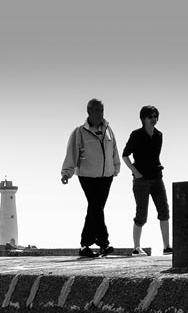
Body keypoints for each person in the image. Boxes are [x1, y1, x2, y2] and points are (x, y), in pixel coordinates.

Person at [60, 98, 122, 258]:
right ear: (89, 112)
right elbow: (72, 153)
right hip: (87, 176)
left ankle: (86, 245)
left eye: (102, 110)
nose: (100, 114)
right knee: (96, 207)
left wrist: (116, 168)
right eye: (97, 110)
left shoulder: (108, 129)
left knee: (95, 209)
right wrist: (66, 173)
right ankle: (103, 243)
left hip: (106, 176)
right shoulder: (79, 132)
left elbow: (114, 149)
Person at [121, 104, 171, 255]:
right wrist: (135, 172)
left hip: (157, 178)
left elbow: (154, 157)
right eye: (150, 117)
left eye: (156, 116)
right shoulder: (136, 135)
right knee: (141, 214)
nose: (154, 119)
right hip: (141, 180)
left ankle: (167, 247)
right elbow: (125, 155)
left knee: (164, 211)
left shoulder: (159, 135)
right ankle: (136, 248)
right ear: (143, 119)